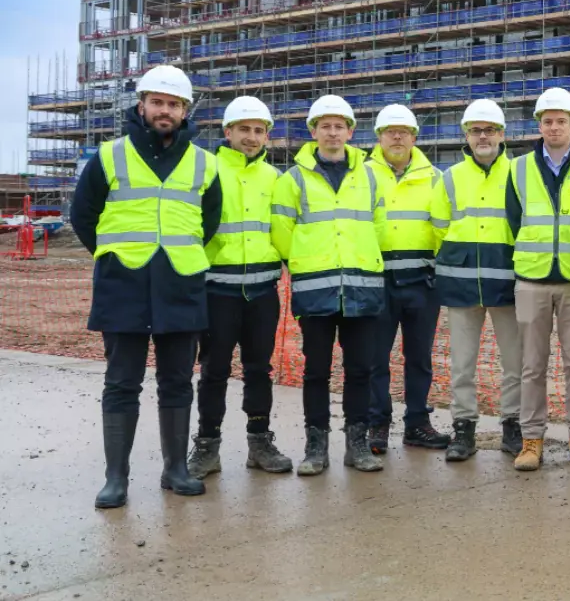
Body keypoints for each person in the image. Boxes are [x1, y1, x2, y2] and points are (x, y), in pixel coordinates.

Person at [73, 65, 221, 508]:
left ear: (184, 111)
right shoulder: (110, 155)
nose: (165, 110)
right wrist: (114, 256)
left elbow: (208, 223)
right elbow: (83, 216)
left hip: (181, 285)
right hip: (124, 285)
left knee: (177, 381)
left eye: (174, 104)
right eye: (157, 102)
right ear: (141, 105)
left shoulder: (204, 163)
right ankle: (116, 479)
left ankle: (176, 469)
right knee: (122, 382)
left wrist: (180, 259)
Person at [270, 95, 386, 476]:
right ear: (314, 132)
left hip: (362, 287)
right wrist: (306, 261)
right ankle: (316, 447)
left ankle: (357, 444)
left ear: (351, 131)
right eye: (325, 126)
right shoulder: (294, 179)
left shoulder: (369, 176)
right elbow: (281, 232)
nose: (333, 132)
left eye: (340, 126)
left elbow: (380, 227)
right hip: (316, 288)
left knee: (360, 370)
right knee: (316, 371)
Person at [188, 95, 292, 479]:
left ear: (268, 136)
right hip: (217, 289)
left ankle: (260, 442)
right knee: (214, 369)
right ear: (227, 131)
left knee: (259, 369)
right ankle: (207, 446)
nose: (251, 137)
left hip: (263, 290)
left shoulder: (276, 179)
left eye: (259, 131)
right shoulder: (207, 170)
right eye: (244, 129)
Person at [506, 88, 570, 471]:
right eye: (547, 120)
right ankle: (531, 441)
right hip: (532, 278)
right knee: (531, 365)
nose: (554, 127)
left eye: (561, 120)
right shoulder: (518, 167)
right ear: (539, 125)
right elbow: (514, 220)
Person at [432, 99, 524, 464]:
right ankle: (463, 428)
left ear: (502, 134)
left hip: (508, 283)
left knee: (515, 361)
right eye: (475, 130)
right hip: (462, 283)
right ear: (466, 136)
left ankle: (512, 424)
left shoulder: (519, 174)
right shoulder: (450, 177)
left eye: (489, 130)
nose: (482, 136)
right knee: (462, 362)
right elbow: (438, 228)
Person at [364, 104, 450, 453]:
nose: (397, 136)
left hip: (422, 281)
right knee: (374, 358)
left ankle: (417, 423)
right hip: (378, 279)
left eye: (404, 131)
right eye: (390, 131)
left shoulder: (435, 178)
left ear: (415, 137)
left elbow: (445, 229)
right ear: (379, 137)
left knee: (419, 358)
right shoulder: (362, 174)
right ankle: (377, 423)